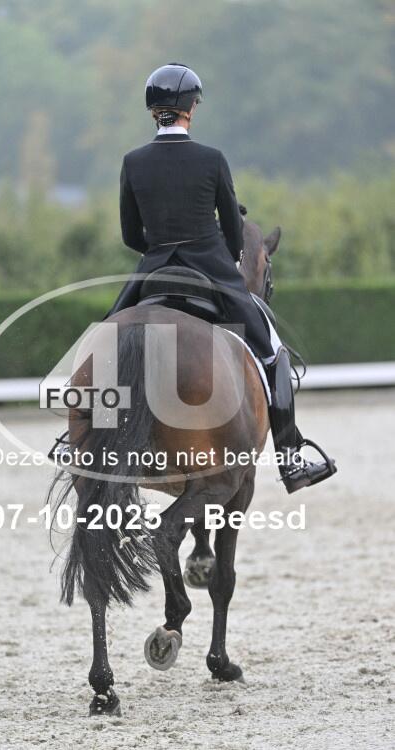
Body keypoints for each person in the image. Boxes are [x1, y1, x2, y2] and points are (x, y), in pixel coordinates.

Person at [107, 63, 336, 493]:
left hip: (154, 271)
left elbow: (130, 234)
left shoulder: (133, 162)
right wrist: (225, 255)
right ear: (191, 108)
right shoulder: (212, 159)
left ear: (153, 110)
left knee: (104, 342)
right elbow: (233, 230)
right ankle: (290, 457)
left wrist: (159, 250)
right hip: (211, 271)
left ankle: (80, 442)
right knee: (272, 352)